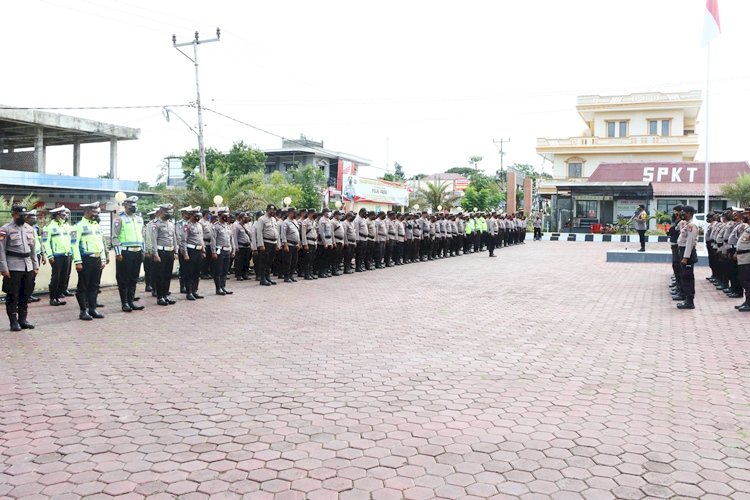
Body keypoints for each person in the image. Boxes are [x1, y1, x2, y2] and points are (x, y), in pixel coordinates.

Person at [0, 205, 39, 331]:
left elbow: (33, 249)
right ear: (13, 214)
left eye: (24, 215)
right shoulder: (5, 229)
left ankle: (23, 320)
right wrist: (4, 268)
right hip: (13, 266)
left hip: (27, 266)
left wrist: (35, 265)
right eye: (20, 215)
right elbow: (1, 251)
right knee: (13, 295)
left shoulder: (29, 228)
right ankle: (13, 322)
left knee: (25, 294)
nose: (23, 217)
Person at [71, 202, 107, 320]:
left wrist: (103, 258)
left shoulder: (96, 225)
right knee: (83, 286)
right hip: (85, 259)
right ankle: (83, 311)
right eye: (93, 212)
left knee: (94, 285)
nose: (96, 214)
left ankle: (92, 309)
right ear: (87, 211)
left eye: (97, 212)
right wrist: (77, 261)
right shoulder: (78, 226)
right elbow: (74, 245)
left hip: (96, 258)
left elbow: (100, 242)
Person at [112, 196, 145, 312]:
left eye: (135, 204)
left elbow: (142, 236)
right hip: (125, 252)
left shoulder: (139, 219)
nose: (133, 207)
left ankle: (131, 301)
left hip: (137, 252)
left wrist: (143, 251)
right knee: (123, 279)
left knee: (134, 278)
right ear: (125, 206)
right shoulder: (119, 219)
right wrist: (118, 253)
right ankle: (124, 303)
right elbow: (115, 237)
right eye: (131, 205)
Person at [148, 204, 178, 306]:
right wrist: (155, 254)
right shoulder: (155, 224)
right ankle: (160, 297)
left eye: (170, 212)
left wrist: (176, 251)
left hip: (170, 252)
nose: (168, 214)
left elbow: (174, 238)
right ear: (161, 212)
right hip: (161, 252)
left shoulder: (171, 224)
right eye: (166, 212)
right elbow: (154, 240)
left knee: (167, 275)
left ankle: (165, 295)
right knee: (160, 276)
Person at [42, 206, 72, 306]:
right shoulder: (49, 227)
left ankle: (58, 296)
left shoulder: (66, 226)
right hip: (56, 256)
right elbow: (45, 242)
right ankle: (52, 298)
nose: (65, 216)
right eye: (63, 214)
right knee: (56, 277)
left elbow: (72, 240)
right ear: (57, 215)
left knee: (64, 277)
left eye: (65, 214)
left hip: (67, 254)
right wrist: (50, 255)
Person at [179, 206, 206, 300]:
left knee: (197, 272)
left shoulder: (199, 225)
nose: (197, 216)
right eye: (195, 215)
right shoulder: (186, 226)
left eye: (198, 214)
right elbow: (184, 241)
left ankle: (195, 291)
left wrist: (203, 250)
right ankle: (189, 292)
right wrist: (185, 254)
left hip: (199, 251)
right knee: (189, 273)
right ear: (191, 215)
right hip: (191, 251)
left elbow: (201, 239)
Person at [676, 205, 698, 310]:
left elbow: (690, 242)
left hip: (687, 253)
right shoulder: (688, 224)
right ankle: (687, 299)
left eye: (683, 212)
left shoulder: (692, 226)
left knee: (688, 277)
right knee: (685, 276)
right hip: (684, 252)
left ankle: (690, 301)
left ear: (689, 213)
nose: (681, 214)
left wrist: (685, 257)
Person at [255, 204, 280, 286]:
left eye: (274, 211)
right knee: (264, 262)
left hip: (273, 242)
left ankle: (268, 277)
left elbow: (277, 232)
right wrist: (261, 244)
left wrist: (277, 244)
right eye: (271, 210)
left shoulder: (273, 219)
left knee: (270, 262)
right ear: (268, 210)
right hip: (266, 242)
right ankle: (263, 279)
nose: (273, 212)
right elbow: (259, 232)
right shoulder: (262, 219)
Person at [211, 207, 234, 295]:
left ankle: (223, 286)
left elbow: (231, 239)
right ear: (220, 216)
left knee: (225, 270)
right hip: (219, 250)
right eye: (225, 216)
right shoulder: (216, 226)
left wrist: (233, 250)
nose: (226, 217)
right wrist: (213, 251)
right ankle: (218, 288)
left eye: (227, 216)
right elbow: (213, 240)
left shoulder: (227, 226)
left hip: (227, 250)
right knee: (218, 270)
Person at [25, 210, 43, 303]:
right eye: (32, 218)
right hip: (29, 257)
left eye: (35, 217)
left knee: (33, 276)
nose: (34, 219)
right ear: (27, 218)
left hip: (37, 254)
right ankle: (26, 295)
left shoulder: (36, 228)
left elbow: (40, 241)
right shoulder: (24, 228)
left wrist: (43, 254)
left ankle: (30, 294)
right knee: (28, 277)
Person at [735, 207, 750, 312]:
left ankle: (749, 303)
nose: (745, 216)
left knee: (747, 281)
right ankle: (747, 301)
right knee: (743, 280)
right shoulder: (748, 228)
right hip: (742, 258)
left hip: (747, 258)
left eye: (747, 214)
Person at [280, 207, 301, 282]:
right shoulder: (285, 222)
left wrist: (298, 242)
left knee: (294, 261)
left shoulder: (295, 221)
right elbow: (283, 235)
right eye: (294, 213)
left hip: (295, 244)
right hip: (289, 244)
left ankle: (291, 275)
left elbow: (297, 233)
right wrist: (285, 245)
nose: (295, 214)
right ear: (290, 213)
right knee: (287, 261)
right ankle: (286, 276)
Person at [232, 212, 253, 281]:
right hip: (241, 246)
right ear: (241, 218)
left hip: (247, 246)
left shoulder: (246, 225)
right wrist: (236, 247)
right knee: (240, 262)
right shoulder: (236, 226)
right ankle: (239, 275)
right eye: (245, 218)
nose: (246, 219)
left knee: (246, 261)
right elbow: (234, 237)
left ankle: (245, 274)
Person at [142, 210, 157, 294]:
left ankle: (156, 287)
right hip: (148, 251)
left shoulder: (157, 225)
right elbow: (145, 240)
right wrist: (146, 251)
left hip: (155, 251)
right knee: (148, 269)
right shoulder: (147, 227)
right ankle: (148, 285)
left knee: (155, 270)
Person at [353, 208, 369, 272]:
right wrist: (357, 239)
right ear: (361, 212)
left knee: (363, 253)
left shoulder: (363, 219)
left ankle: (361, 265)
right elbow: (356, 230)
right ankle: (358, 267)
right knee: (359, 253)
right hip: (360, 239)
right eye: (365, 213)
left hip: (365, 239)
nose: (366, 214)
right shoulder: (357, 220)